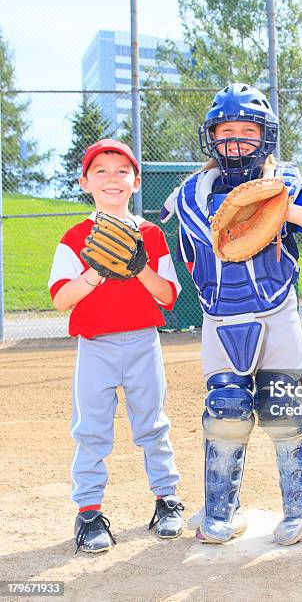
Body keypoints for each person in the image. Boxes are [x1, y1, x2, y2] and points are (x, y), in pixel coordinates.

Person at [160, 83, 302, 545]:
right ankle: (221, 510)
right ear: (211, 136)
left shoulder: (285, 180)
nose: (237, 139)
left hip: (276, 312)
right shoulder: (188, 196)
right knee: (225, 409)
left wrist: (288, 207)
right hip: (219, 318)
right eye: (227, 130)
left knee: (282, 406)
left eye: (248, 129)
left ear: (265, 136)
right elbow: (184, 255)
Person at [48, 139, 184, 553]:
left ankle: (166, 499)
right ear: (85, 182)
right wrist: (96, 272)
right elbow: (60, 299)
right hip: (95, 346)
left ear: (135, 181)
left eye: (121, 170)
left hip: (143, 342)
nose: (112, 178)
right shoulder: (75, 238)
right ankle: (88, 512)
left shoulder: (151, 235)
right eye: (100, 171)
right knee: (91, 430)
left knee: (153, 424)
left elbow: (167, 295)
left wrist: (139, 266)